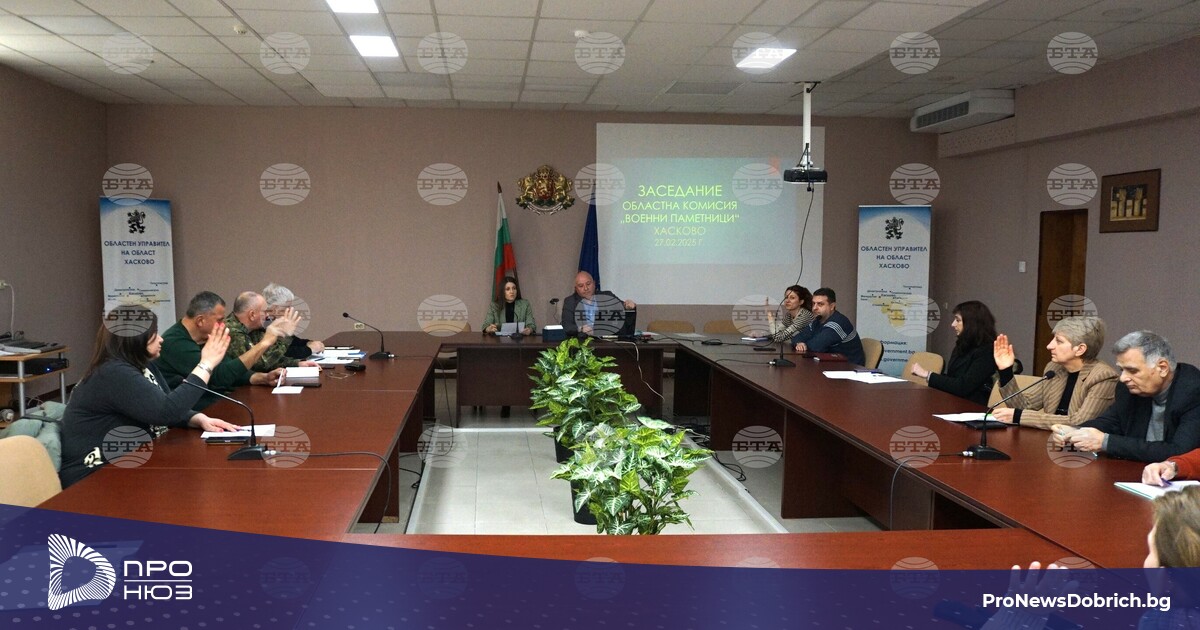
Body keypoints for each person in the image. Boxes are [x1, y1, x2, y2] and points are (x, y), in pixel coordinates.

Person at [59, 305, 240, 488]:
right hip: (94, 476)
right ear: (135, 338)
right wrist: (206, 363)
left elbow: (163, 403)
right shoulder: (113, 373)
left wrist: (197, 418)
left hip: (126, 464)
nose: (161, 339)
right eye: (154, 334)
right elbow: (166, 411)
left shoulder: (143, 366)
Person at [1054, 331, 1200, 463]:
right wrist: (1075, 432)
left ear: (1162, 368)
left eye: (1132, 370)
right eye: (1121, 369)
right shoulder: (1128, 388)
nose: (1123, 378)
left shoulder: (1194, 391)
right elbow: (1111, 422)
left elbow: (1181, 453)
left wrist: (1105, 442)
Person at [155, 291, 286, 408]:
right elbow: (220, 377)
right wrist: (264, 344)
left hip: (211, 403)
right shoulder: (175, 343)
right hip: (191, 412)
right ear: (200, 320)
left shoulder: (203, 337)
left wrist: (263, 378)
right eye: (219, 320)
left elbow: (227, 365)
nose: (223, 325)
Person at [990, 316, 1118, 429]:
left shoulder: (1103, 376)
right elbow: (1024, 407)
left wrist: (1019, 416)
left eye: (1059, 341)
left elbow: (1081, 422)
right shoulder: (1055, 368)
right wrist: (1006, 371)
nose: (1049, 346)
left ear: (1080, 349)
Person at [911, 300, 997, 407]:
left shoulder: (987, 351)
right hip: (953, 402)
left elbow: (963, 387)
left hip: (972, 408)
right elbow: (953, 378)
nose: (953, 324)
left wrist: (928, 375)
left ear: (971, 323)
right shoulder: (962, 345)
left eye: (958, 320)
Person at [223, 291, 318, 372]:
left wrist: (296, 364)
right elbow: (261, 364)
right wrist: (284, 335)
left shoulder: (253, 328)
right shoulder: (232, 331)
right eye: (265, 312)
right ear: (252, 315)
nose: (268, 316)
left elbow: (267, 356)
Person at [792, 288, 865, 366]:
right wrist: (799, 343)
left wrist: (804, 344)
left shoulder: (838, 323)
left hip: (849, 368)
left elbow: (815, 347)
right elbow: (797, 337)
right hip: (831, 364)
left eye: (820, 304)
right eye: (813, 303)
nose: (814, 308)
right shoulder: (818, 320)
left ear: (832, 306)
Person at [560, 271, 636, 335]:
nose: (586, 288)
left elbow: (624, 306)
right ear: (576, 289)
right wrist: (581, 329)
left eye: (588, 284)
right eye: (581, 286)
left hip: (607, 341)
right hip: (583, 342)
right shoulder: (570, 302)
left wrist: (629, 306)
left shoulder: (607, 296)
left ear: (594, 283)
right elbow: (566, 326)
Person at [262, 282, 324, 360]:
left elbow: (292, 341)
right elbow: (282, 353)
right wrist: (310, 349)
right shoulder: (262, 324)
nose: (290, 310)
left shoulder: (272, 320)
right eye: (286, 307)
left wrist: (308, 343)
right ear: (275, 308)